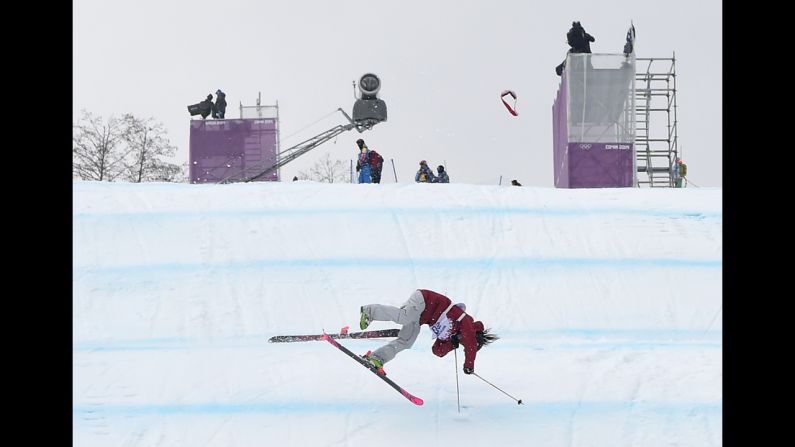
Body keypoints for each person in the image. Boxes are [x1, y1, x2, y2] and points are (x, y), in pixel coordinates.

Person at [359, 289, 499, 375]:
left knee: (407, 341)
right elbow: (470, 345)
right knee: (404, 317)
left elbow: (437, 351)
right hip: (424, 300)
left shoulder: (452, 336)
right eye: (468, 341)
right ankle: (369, 311)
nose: (464, 341)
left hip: (419, 317)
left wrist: (452, 344)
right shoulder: (466, 322)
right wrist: (469, 366)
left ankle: (377, 358)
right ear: (474, 336)